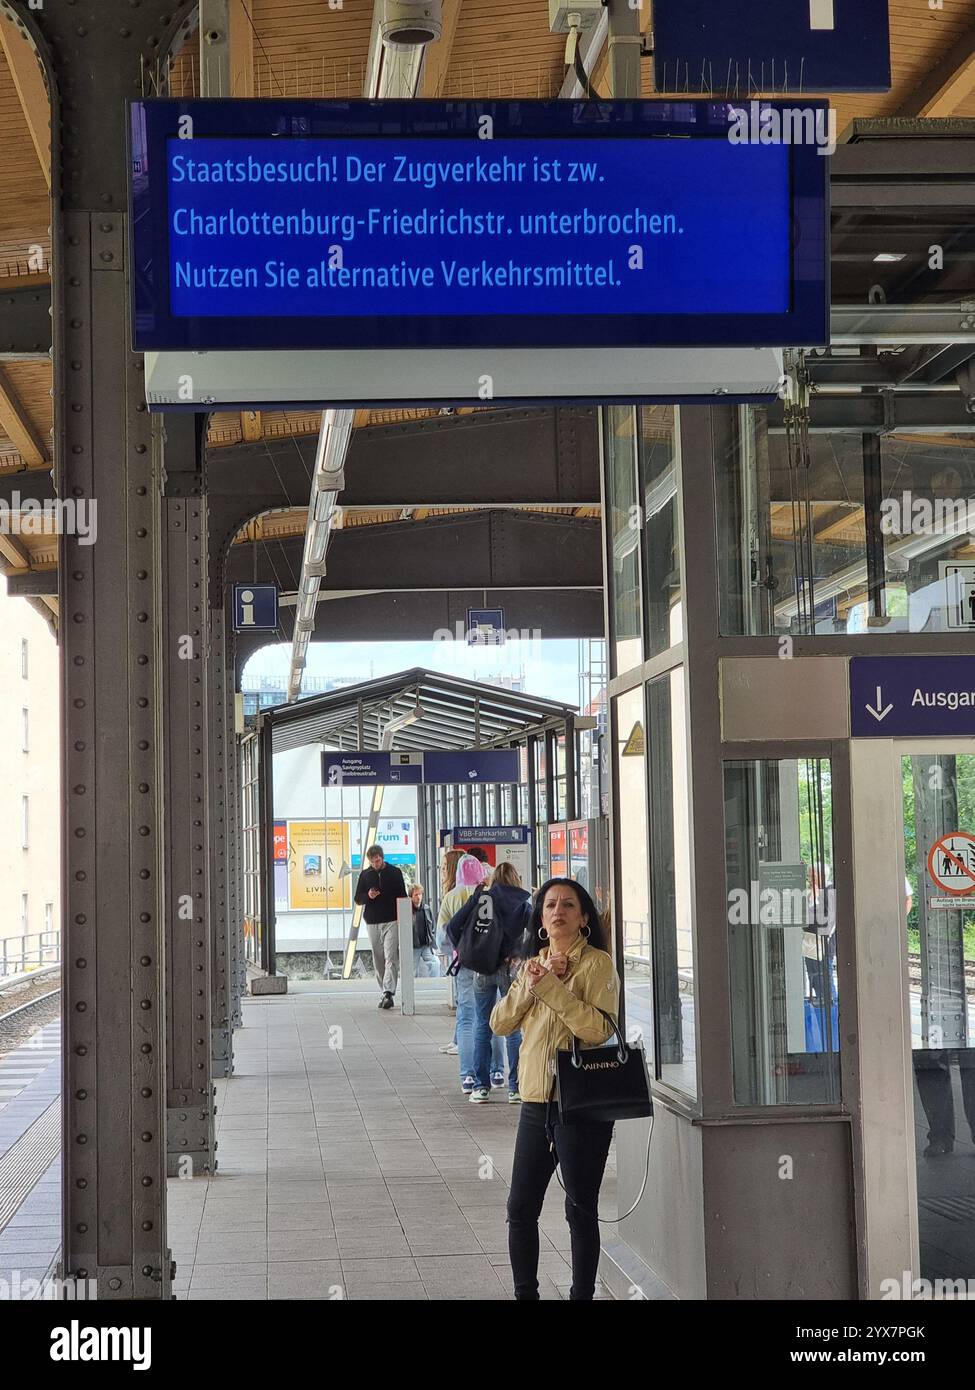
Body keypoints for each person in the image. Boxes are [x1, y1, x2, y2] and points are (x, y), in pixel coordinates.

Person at [492, 878, 620, 1302]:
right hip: (534, 1101)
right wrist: (535, 983)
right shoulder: (535, 964)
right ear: (541, 918)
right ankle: (525, 1294)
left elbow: (598, 1029)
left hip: (580, 1104)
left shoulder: (598, 965)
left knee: (579, 1209)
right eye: (549, 905)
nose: (557, 911)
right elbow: (500, 1023)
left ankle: (581, 1294)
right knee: (520, 1209)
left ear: (583, 917)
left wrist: (552, 990)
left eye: (568, 904)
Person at [448, 862, 530, 1105]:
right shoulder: (521, 904)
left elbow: (453, 927)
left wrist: (468, 950)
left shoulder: (483, 899)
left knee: (482, 1025)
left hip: (482, 969)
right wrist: (519, 954)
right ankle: (515, 1088)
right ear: (516, 879)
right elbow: (536, 932)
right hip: (509, 969)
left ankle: (481, 1087)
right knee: (512, 1027)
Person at [437, 853, 489, 1092]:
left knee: (466, 1019)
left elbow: (441, 938)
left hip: (464, 962)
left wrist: (454, 951)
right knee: (489, 1018)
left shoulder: (451, 897)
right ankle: (496, 1072)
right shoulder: (488, 895)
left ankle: (468, 1076)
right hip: (488, 963)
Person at [353, 844, 407, 1009]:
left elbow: (402, 895)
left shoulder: (395, 872)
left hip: (392, 920)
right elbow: (358, 899)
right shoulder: (365, 875)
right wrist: (368, 896)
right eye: (373, 862)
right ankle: (384, 989)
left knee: (391, 956)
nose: (376, 864)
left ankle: (388, 992)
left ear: (382, 858)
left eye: (378, 860)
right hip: (372, 920)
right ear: (369, 861)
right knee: (378, 958)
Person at [411, 883, 438, 978]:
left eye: (420, 894)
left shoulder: (426, 909)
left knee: (435, 964)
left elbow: (432, 926)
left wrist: (432, 940)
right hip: (413, 946)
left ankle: (434, 985)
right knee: (413, 971)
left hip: (426, 944)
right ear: (411, 896)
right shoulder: (408, 910)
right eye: (415, 895)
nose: (418, 897)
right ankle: (412, 990)